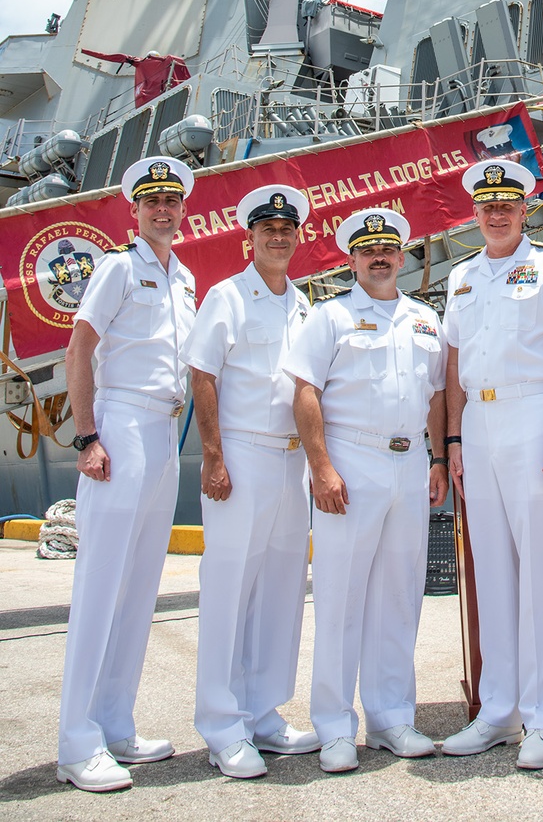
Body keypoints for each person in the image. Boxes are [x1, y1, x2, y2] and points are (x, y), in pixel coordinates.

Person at [441, 160, 543, 771]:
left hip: (535, 419)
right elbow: (454, 365)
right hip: (478, 428)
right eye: (487, 206)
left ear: (524, 210)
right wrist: (453, 442)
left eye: (507, 204)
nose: (496, 214)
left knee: (541, 572)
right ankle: (499, 710)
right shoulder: (461, 277)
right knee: (494, 575)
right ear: (475, 213)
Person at [285, 207, 448, 774]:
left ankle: (391, 718)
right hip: (350, 462)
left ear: (402, 257)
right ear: (351, 259)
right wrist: (322, 467)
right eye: (367, 250)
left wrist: (440, 459)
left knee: (400, 596)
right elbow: (304, 392)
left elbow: (435, 397)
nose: (379, 258)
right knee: (340, 598)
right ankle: (333, 726)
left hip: (409, 464)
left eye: (388, 250)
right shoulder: (329, 317)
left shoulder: (427, 320)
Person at [57, 157, 196, 793]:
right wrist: (87, 437)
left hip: (165, 433)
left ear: (182, 208)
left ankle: (114, 721)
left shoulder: (185, 278)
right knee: (100, 587)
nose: (162, 211)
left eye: (171, 201)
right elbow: (79, 348)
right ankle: (75, 741)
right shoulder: (117, 268)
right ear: (133, 210)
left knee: (140, 585)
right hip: (120, 424)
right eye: (152, 203)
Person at [182, 185, 318, 778]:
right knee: (230, 587)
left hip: (292, 461)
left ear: (298, 237)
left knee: (282, 589)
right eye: (268, 230)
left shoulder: (304, 304)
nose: (279, 237)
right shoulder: (227, 297)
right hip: (241, 454)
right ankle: (221, 724)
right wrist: (212, 455)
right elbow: (202, 373)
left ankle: (263, 712)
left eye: (287, 230)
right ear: (250, 238)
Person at [81, 47, 191, 108]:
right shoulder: (166, 60)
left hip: (145, 99)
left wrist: (87, 52)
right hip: (164, 91)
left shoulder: (140, 62)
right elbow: (181, 67)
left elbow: (119, 57)